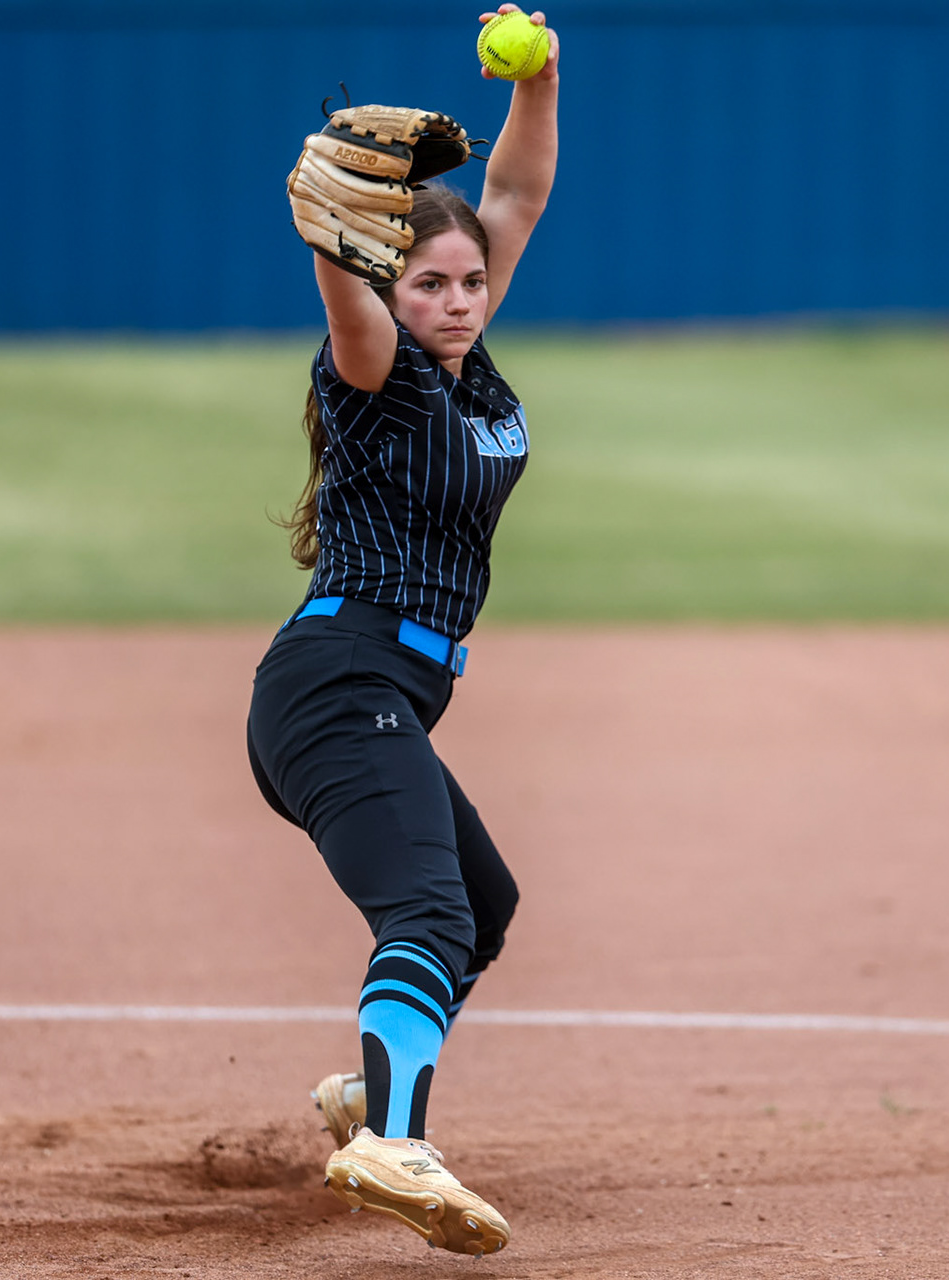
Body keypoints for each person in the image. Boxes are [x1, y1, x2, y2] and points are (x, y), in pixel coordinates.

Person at [245, 5, 559, 1258]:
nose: (460, 298)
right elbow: (347, 287)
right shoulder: (378, 365)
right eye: (430, 280)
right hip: (337, 679)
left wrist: (543, 72)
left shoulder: (471, 359)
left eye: (471, 280)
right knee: (425, 912)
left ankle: (372, 1096)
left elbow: (518, 193)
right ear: (391, 284)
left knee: (481, 905)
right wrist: (336, 235)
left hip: (384, 689)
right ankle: (398, 1141)